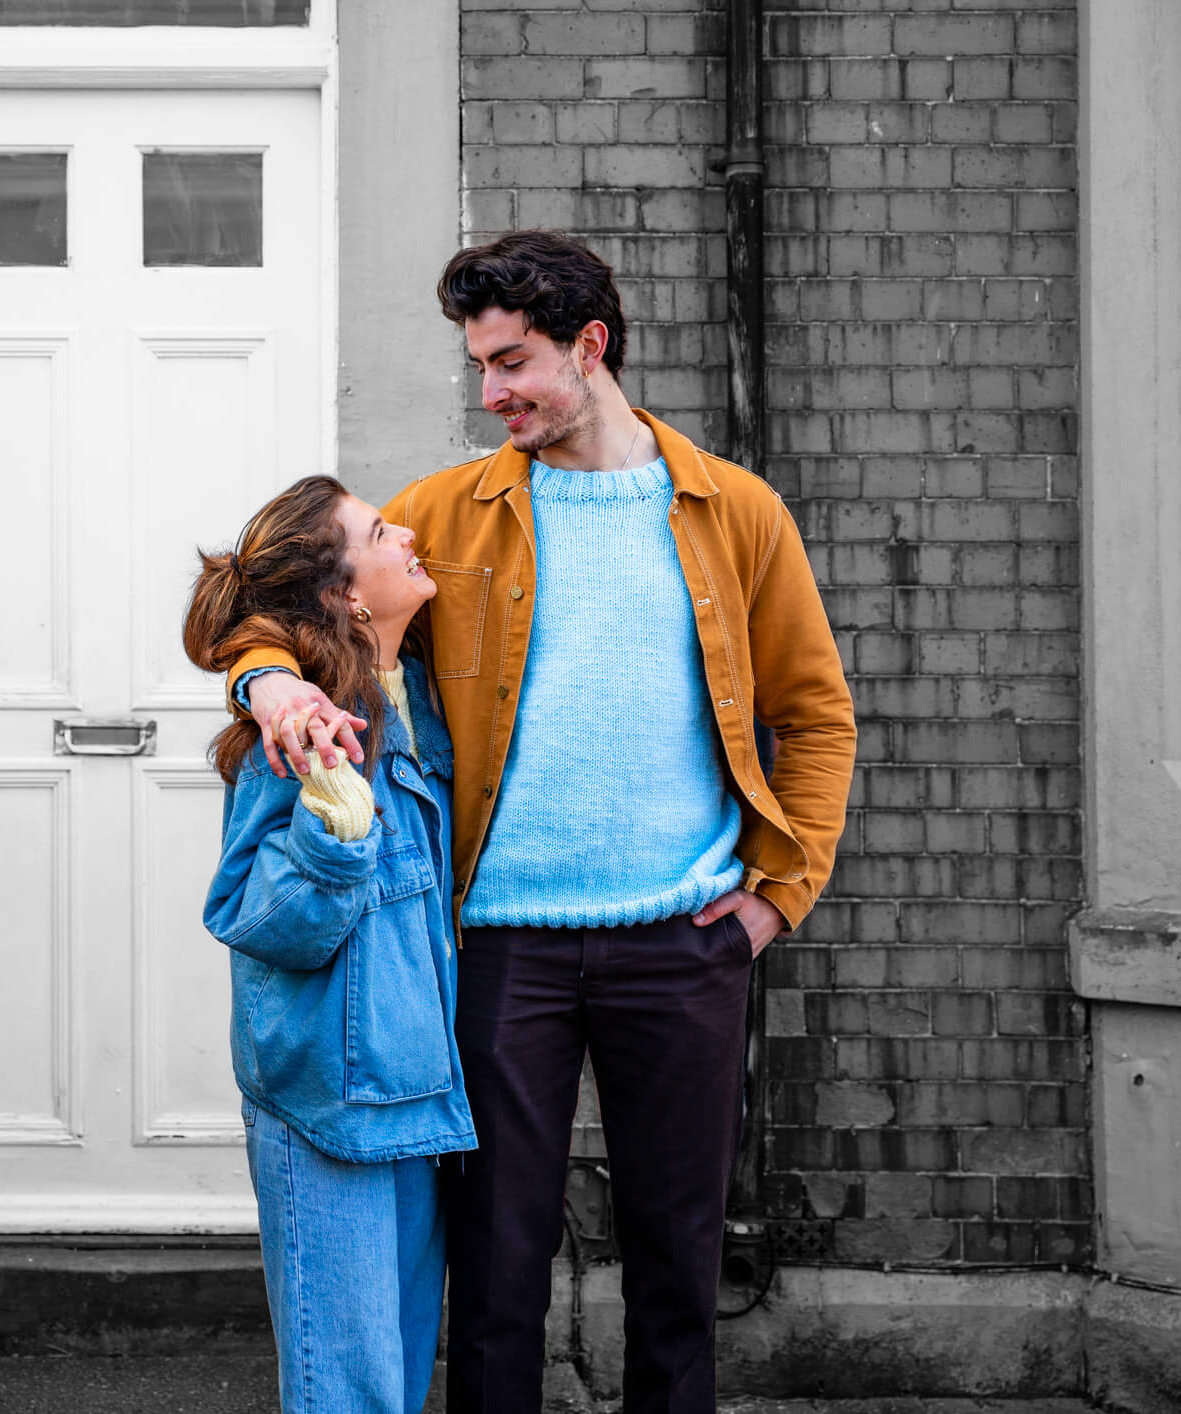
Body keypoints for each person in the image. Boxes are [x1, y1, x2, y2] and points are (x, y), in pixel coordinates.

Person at [227, 231, 856, 1413]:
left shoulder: (737, 514)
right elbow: (280, 603)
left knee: (679, 1273)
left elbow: (816, 719)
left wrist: (774, 904)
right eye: (479, 365)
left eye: (511, 362)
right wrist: (266, 680)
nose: (491, 392)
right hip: (501, 950)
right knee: (497, 1270)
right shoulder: (445, 516)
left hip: (685, 943)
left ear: (590, 345)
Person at [185, 475, 474, 1414]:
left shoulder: (419, 700)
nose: (409, 536)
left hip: (417, 1097)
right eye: (382, 532)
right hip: (329, 1105)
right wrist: (334, 835)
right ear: (343, 592)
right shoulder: (295, 732)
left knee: (391, 1379)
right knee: (347, 1394)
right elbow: (255, 918)